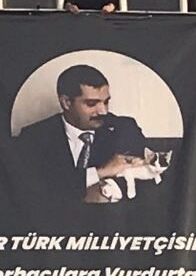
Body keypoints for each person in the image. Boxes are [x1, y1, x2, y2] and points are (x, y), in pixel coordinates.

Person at [17, 65, 146, 202]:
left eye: (106, 102)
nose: (103, 111)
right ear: (66, 103)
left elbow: (141, 181)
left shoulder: (125, 129)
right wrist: (99, 173)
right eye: (91, 104)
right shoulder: (33, 137)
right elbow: (35, 188)